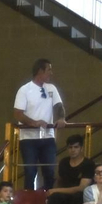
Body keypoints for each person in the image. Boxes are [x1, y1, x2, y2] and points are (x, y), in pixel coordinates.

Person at [13, 59, 64, 191]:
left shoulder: (51, 88)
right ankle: (29, 199)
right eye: (49, 70)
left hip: (47, 137)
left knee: (49, 170)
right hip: (28, 138)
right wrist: (34, 123)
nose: (51, 73)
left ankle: (49, 199)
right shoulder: (25, 90)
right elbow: (18, 113)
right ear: (40, 71)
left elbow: (59, 106)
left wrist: (61, 118)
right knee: (30, 172)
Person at [41, 135, 93, 204]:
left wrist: (57, 190)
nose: (73, 150)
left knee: (79, 196)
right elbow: (59, 180)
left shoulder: (88, 164)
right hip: (64, 196)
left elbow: (82, 187)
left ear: (81, 148)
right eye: (70, 147)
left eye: (76, 147)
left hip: (80, 196)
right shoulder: (64, 162)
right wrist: (53, 191)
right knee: (53, 197)